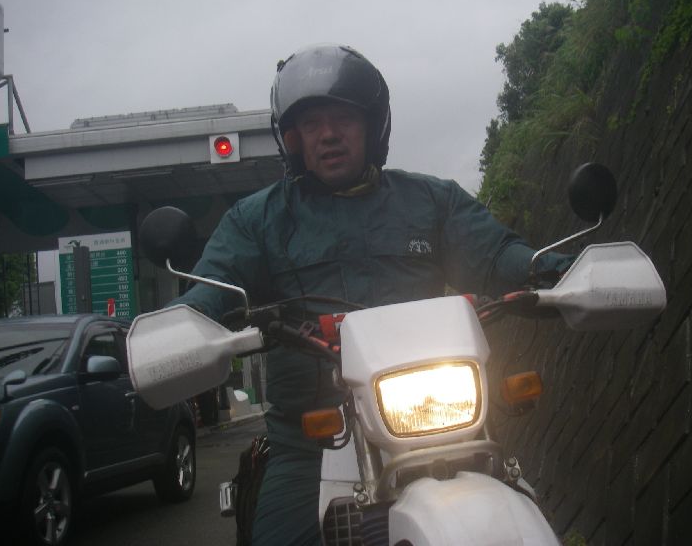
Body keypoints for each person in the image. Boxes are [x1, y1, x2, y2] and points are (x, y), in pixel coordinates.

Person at [171, 43, 572, 545]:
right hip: (311, 436)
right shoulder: (258, 220)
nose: (328, 134)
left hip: (435, 414)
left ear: (372, 126)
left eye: (343, 118)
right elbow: (213, 288)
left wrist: (561, 274)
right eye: (312, 123)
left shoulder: (431, 201)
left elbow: (498, 256)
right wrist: (176, 328)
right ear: (292, 138)